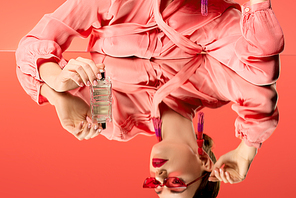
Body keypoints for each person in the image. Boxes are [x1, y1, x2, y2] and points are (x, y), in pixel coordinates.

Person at [15, 0, 284, 197]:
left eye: (156, 187)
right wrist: (247, 151)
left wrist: (55, 89)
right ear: (204, 164)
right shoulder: (214, 88)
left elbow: (27, 53)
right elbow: (261, 69)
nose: (160, 178)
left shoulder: (114, 122)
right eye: (176, 184)